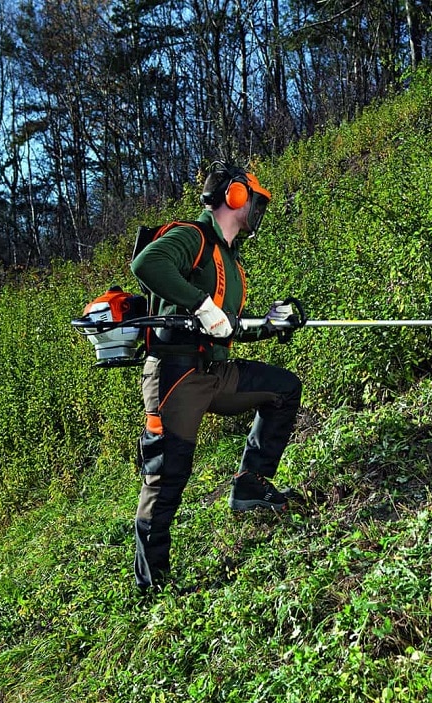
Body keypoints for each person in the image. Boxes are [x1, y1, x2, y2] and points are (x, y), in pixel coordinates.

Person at [128, 162, 305, 593]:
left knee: (283, 390)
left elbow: (229, 327)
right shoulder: (194, 236)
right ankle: (152, 587)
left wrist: (271, 324)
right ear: (235, 197)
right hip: (175, 374)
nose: (258, 210)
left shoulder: (231, 258)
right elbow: (147, 264)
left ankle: (249, 484)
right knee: (167, 477)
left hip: (216, 371)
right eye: (255, 200)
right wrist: (200, 304)